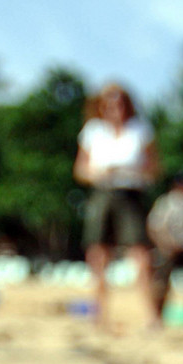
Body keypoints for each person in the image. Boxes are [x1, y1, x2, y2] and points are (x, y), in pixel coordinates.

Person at [73, 83, 160, 328]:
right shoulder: (93, 131)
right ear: (101, 106)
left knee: (140, 254)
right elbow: (80, 170)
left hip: (131, 194)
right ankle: (99, 316)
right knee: (98, 253)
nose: (115, 107)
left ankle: (151, 316)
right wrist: (99, 172)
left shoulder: (140, 130)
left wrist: (133, 170)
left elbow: (155, 168)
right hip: (102, 193)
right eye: (109, 102)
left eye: (120, 102)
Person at [146, 174, 183, 323]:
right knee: (162, 285)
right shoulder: (166, 203)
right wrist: (166, 244)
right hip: (169, 251)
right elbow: (155, 227)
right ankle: (157, 316)